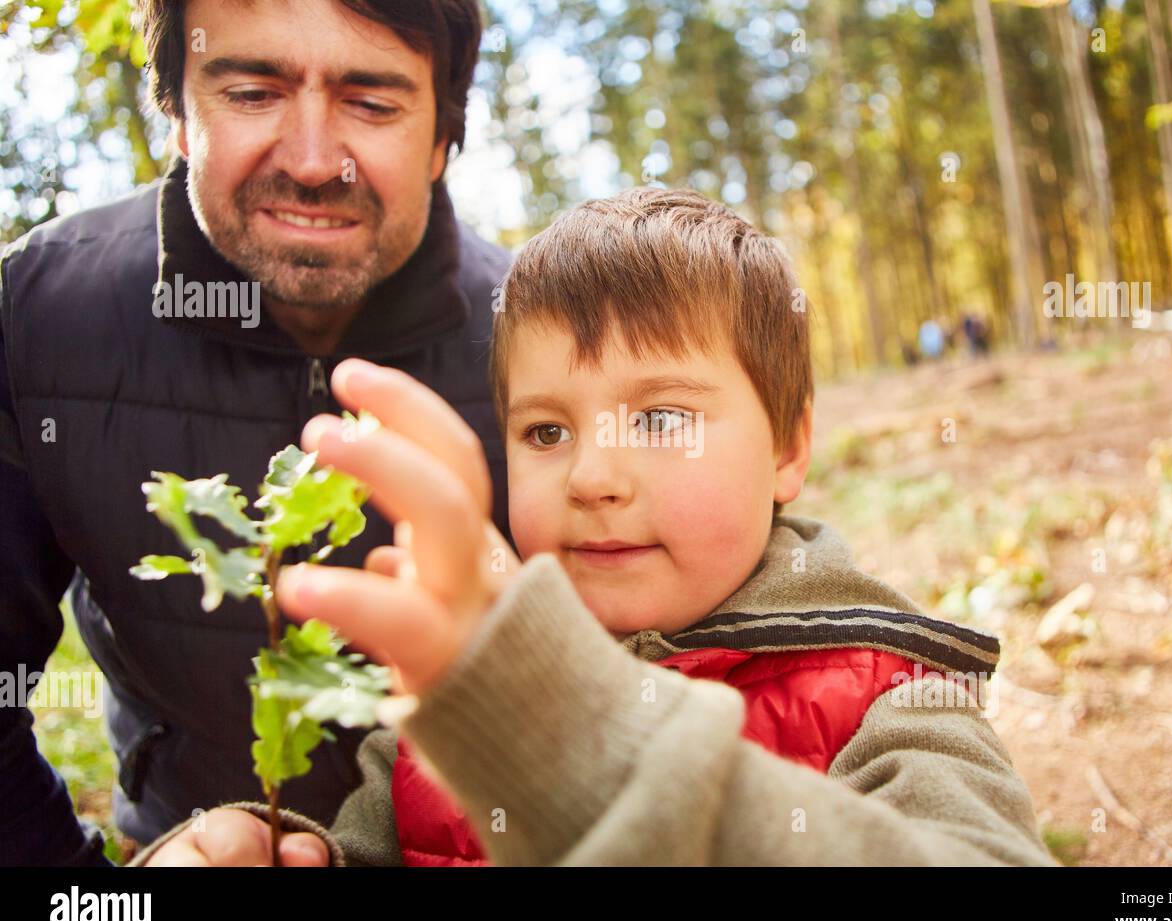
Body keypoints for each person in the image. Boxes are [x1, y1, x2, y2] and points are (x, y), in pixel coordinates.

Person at [134, 188, 1056, 867]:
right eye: (546, 431)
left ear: (787, 445)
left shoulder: (889, 696)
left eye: (661, 419)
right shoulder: (438, 710)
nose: (594, 477)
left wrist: (556, 734)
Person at [0, 0, 509, 865]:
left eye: (372, 103)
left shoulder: (535, 343)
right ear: (180, 116)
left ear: (439, 139)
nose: (312, 163)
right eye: (251, 91)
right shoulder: (36, 318)